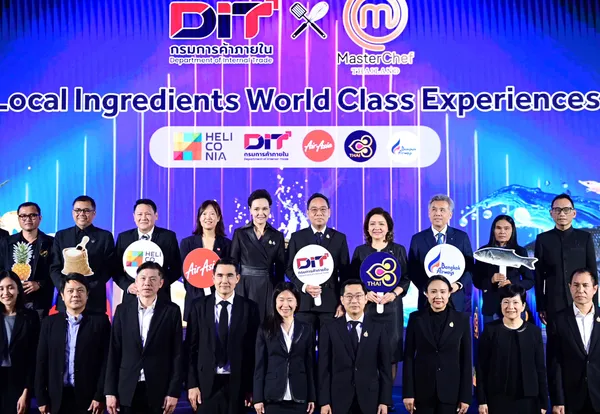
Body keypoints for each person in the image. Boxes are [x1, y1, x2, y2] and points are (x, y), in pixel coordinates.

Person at [105, 262, 182, 414]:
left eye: (153, 279)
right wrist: (110, 391)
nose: (147, 283)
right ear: (136, 282)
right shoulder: (122, 310)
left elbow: (177, 354)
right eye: (143, 278)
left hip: (158, 390)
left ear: (161, 283)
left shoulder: (171, 311)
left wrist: (173, 391)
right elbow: (114, 351)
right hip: (126, 389)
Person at [185, 257, 260, 414]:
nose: (224, 281)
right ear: (213, 278)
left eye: (230, 275)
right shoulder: (198, 306)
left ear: (237, 278)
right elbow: (190, 348)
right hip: (205, 385)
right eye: (220, 275)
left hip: (238, 386)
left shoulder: (250, 308)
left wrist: (251, 387)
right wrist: (192, 384)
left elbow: (253, 351)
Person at [35, 273, 111, 414]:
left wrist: (99, 395)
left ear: (87, 295)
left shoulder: (101, 322)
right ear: (62, 296)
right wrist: (41, 398)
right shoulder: (49, 323)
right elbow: (41, 361)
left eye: (80, 290)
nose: (75, 294)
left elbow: (106, 362)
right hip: (56, 398)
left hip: (89, 399)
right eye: (70, 291)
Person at [350, 207, 410, 383]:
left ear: (388, 227)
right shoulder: (360, 251)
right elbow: (352, 280)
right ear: (367, 228)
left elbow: (405, 279)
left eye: (381, 224)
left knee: (391, 354)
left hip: (392, 309)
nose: (377, 227)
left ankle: (387, 395)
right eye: (372, 224)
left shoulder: (398, 250)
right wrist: (365, 294)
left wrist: (394, 294)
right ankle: (369, 394)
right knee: (368, 352)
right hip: (368, 310)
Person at [318, 279, 392, 414]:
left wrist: (384, 401)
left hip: (370, 400)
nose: (354, 300)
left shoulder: (379, 329)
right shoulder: (329, 328)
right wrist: (324, 401)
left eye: (358, 296)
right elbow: (323, 368)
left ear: (366, 298)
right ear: (342, 299)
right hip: (338, 400)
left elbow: (385, 368)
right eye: (349, 296)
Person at [403, 276, 471, 414]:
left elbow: (466, 360)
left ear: (449, 293)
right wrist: (408, 393)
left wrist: (465, 396)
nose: (438, 296)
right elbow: (409, 357)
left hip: (451, 393)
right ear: (426, 294)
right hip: (422, 392)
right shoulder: (416, 318)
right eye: (433, 292)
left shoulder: (461, 320)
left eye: (443, 291)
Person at [476, 285, 548, 414]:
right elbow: (481, 368)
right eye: (506, 302)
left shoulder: (534, 332)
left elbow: (540, 368)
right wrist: (482, 400)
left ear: (523, 306)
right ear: (500, 304)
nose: (510, 307)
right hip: (497, 398)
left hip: (528, 399)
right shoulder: (490, 330)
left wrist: (543, 402)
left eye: (515, 302)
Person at [287, 193, 349, 335]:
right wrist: (304, 286)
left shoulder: (339, 238)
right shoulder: (297, 237)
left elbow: (345, 274)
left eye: (323, 209)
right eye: (314, 210)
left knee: (329, 345)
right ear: (307, 213)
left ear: (329, 212)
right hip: (304, 304)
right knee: (303, 345)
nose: (319, 213)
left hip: (331, 304)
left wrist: (342, 302)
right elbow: (289, 269)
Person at [535, 193, 598, 325]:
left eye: (566, 210)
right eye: (557, 210)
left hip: (581, 300)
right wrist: (541, 305)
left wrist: (595, 305)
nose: (562, 214)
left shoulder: (585, 238)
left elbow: (592, 273)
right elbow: (539, 275)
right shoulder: (542, 239)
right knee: (555, 336)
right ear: (551, 213)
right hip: (553, 303)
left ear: (574, 213)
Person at [253, 282, 316, 414]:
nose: (285, 305)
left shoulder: (306, 328)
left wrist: (312, 397)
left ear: (297, 303)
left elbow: (309, 365)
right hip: (272, 397)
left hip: (299, 396)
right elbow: (259, 365)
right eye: (281, 300)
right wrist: (257, 398)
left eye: (290, 300)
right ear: (275, 302)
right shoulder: (265, 328)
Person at [50, 195, 116, 313]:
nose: (81, 214)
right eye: (78, 210)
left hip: (94, 299)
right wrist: (65, 287)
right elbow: (54, 266)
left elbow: (109, 268)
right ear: (72, 213)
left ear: (94, 213)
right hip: (66, 299)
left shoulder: (104, 236)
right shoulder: (61, 236)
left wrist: (87, 288)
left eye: (86, 210)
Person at [547, 268, 600, 414]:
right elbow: (554, 363)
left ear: (595, 289)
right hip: (572, 399)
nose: (580, 290)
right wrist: (558, 400)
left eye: (585, 285)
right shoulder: (558, 320)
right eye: (576, 285)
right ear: (570, 287)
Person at [408, 194, 474, 311]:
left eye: (442, 210)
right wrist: (427, 289)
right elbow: (413, 269)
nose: (437, 213)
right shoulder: (418, 239)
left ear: (450, 214)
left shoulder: (461, 237)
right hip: (427, 301)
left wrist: (458, 285)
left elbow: (470, 267)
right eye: (434, 209)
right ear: (429, 213)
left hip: (456, 299)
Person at [231, 189, 285, 322]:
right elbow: (233, 264)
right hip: (244, 286)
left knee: (266, 324)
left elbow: (280, 269)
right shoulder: (240, 233)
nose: (261, 213)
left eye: (265, 209)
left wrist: (279, 294)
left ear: (270, 209)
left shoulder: (277, 236)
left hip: (267, 286)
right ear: (250, 210)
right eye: (256, 209)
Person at [115, 199, 182, 304]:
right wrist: (128, 286)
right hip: (132, 297)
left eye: (148, 214)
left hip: (160, 297)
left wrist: (159, 284)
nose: (143, 218)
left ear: (156, 216)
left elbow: (177, 268)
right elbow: (115, 269)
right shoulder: (124, 238)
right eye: (139, 214)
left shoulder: (168, 237)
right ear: (134, 217)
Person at [473, 215, 534, 324]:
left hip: (515, 306)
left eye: (506, 228)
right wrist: (491, 280)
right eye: (498, 228)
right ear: (493, 230)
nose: (502, 232)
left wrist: (513, 283)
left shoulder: (520, 252)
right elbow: (477, 281)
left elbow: (529, 281)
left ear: (512, 230)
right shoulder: (483, 252)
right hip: (491, 307)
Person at [0, 202, 54, 318]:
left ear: (40, 218)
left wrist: (40, 284)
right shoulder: (6, 243)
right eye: (23, 216)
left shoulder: (51, 243)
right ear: (18, 219)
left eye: (32, 215)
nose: (28, 219)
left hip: (39, 301)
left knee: (39, 329)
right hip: (11, 301)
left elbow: (56, 270)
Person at [180, 200, 232, 322]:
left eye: (212, 214)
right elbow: (185, 273)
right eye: (204, 214)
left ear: (218, 218)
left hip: (219, 298)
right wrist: (200, 296)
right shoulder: (187, 243)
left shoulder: (227, 244)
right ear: (199, 218)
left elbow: (230, 271)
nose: (208, 217)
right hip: (194, 299)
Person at [0, 270, 40, 414]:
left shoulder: (31, 317)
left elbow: (33, 357)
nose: (6, 292)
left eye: (10, 287)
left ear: (18, 289)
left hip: (19, 382)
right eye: (1, 288)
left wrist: (26, 392)